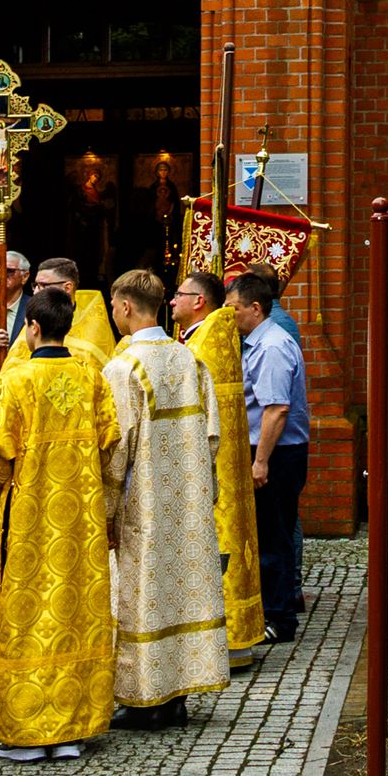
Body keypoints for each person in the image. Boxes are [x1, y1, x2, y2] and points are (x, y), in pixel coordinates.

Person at [0, 287, 119, 763]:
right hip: (80, 521)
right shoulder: (91, 376)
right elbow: (109, 441)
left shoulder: (13, 381)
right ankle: (71, 728)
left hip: (28, 521)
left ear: (32, 328)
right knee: (74, 612)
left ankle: (25, 731)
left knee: (25, 614)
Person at [101, 270, 228, 728]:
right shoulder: (189, 360)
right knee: (181, 591)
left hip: (145, 503)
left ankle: (145, 698)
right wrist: (203, 491)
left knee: (142, 595)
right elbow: (212, 436)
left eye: (114, 307)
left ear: (126, 307)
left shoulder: (123, 369)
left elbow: (116, 450)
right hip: (188, 502)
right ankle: (178, 694)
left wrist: (107, 511)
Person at [172, 269, 266, 661]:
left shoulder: (201, 347)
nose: (172, 300)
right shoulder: (211, 339)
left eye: (179, 294)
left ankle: (219, 638)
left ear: (199, 302)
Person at [230, 271, 308, 645]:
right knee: (270, 533)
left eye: (234, 309)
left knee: (273, 537)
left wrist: (260, 461)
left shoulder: (271, 346)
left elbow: (276, 409)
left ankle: (279, 617)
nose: (229, 316)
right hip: (275, 449)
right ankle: (273, 609)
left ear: (255, 308)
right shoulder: (260, 342)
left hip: (276, 452)